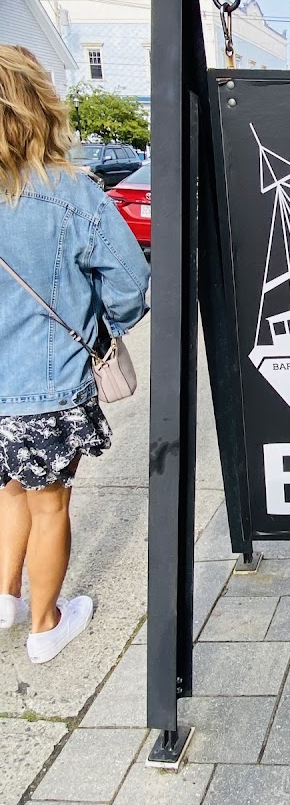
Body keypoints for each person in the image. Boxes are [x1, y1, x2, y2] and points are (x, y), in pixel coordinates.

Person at [0, 45, 150, 663]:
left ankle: (5, 595)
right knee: (50, 501)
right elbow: (129, 283)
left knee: (9, 491)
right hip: (49, 385)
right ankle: (45, 625)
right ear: (42, 105)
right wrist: (105, 328)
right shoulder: (69, 193)